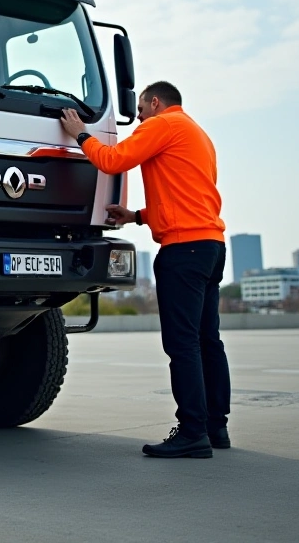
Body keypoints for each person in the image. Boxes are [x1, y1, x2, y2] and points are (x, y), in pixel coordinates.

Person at [60, 81, 229, 459]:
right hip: (211, 246)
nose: (137, 118)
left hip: (183, 250)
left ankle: (191, 432)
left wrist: (80, 134)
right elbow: (186, 197)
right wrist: (137, 216)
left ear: (156, 103)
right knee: (207, 342)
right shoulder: (197, 134)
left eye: (139, 109)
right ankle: (216, 427)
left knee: (182, 344)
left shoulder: (161, 125)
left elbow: (113, 160)